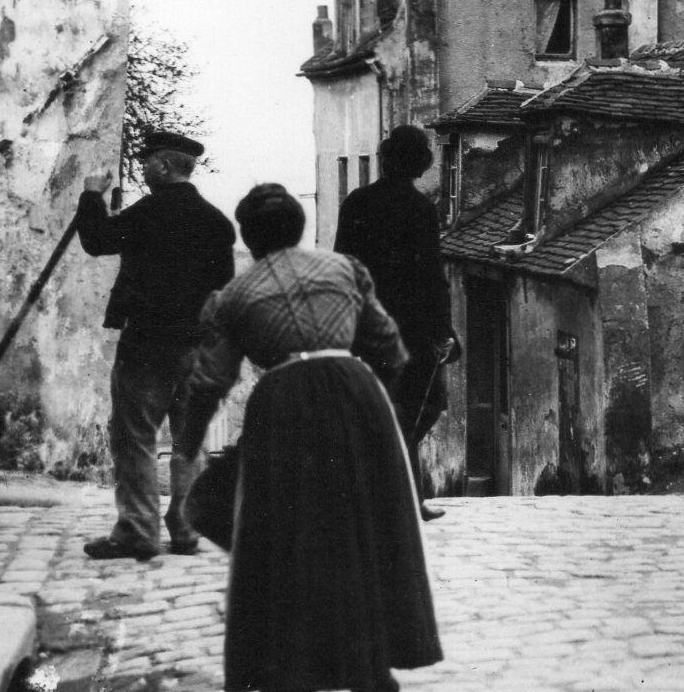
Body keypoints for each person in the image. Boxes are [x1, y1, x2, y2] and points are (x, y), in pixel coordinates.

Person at [174, 184, 442, 692]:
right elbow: (391, 348)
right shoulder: (344, 270)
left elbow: (210, 380)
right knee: (362, 530)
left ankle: (292, 664)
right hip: (357, 391)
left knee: (282, 535)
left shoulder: (234, 295)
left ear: (249, 238)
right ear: (299, 226)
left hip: (284, 406)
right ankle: (369, 667)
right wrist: (368, 402)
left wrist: (188, 446)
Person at [76, 130, 236, 560]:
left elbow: (97, 241)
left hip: (147, 342)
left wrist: (92, 196)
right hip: (199, 347)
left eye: (148, 162)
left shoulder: (149, 213)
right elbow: (224, 291)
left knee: (135, 437)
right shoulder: (217, 222)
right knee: (190, 440)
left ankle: (138, 531)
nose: (143, 168)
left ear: (164, 166)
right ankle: (184, 531)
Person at [333, 125, 458, 522]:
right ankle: (401, 497)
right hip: (412, 329)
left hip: (364, 325)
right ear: (420, 163)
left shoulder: (356, 202)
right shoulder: (420, 209)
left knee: (379, 409)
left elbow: (344, 266)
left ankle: (393, 494)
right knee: (423, 405)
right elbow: (432, 277)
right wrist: (444, 332)